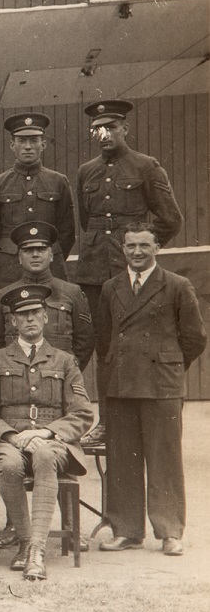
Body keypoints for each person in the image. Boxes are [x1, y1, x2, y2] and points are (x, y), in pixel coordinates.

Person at [96, 223, 205, 556]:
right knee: (122, 459)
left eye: (144, 245)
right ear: (123, 249)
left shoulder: (176, 285)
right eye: (131, 246)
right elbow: (104, 338)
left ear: (157, 248)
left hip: (161, 384)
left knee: (164, 459)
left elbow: (195, 338)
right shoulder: (110, 287)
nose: (137, 252)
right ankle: (126, 530)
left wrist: (168, 363)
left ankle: (170, 530)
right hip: (121, 382)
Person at [0, 285, 93, 580]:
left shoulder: (65, 361)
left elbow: (82, 412)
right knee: (10, 464)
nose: (30, 320)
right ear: (12, 321)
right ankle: (27, 543)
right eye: (22, 315)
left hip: (52, 442)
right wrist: (12, 436)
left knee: (43, 456)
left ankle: (35, 549)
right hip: (8, 442)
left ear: (46, 317)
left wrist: (49, 433)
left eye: (35, 313)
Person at [74, 99, 184, 324]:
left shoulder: (145, 166)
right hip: (93, 269)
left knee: (135, 328)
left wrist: (141, 247)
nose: (104, 135)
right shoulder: (86, 171)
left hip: (132, 267)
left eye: (111, 127)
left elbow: (171, 219)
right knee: (99, 333)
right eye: (98, 130)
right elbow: (87, 221)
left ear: (125, 128)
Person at [0, 113, 75, 302]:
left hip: (51, 267)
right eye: (21, 141)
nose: (27, 146)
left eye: (34, 140)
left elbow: (66, 232)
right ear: (12, 145)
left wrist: (50, 256)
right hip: (8, 268)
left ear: (43, 145)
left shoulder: (58, 182)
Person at [0, 223, 93, 370]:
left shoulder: (72, 292)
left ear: (51, 255)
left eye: (41, 249)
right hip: (16, 377)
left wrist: (69, 372)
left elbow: (85, 341)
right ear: (19, 257)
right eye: (28, 250)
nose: (35, 254)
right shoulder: (3, 295)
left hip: (59, 374)